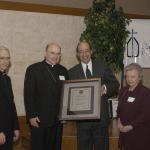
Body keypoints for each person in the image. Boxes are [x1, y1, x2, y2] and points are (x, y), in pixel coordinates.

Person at [69, 41, 119, 150]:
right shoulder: (72, 72)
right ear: (77, 54)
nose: (84, 54)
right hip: (82, 122)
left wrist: (105, 88)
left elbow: (115, 83)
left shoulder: (102, 66)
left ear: (91, 51)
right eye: (81, 51)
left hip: (101, 120)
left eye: (87, 51)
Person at [24, 43, 69, 150]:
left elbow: (66, 94)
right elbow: (28, 94)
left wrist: (65, 115)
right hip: (39, 120)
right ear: (45, 54)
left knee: (55, 147)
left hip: (58, 120)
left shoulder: (64, 71)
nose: (55, 56)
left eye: (58, 53)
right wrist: (31, 116)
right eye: (52, 53)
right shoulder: (33, 69)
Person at [117, 63, 150, 150]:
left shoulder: (146, 93)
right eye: (127, 77)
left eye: (133, 77)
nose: (129, 79)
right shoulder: (123, 91)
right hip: (124, 133)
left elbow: (145, 114)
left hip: (139, 134)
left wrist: (130, 126)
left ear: (139, 77)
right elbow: (119, 109)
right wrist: (119, 121)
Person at [0, 46, 20, 150]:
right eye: (2, 58)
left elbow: (11, 105)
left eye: (8, 58)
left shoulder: (7, 79)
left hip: (9, 131)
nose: (5, 61)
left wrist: (15, 127)